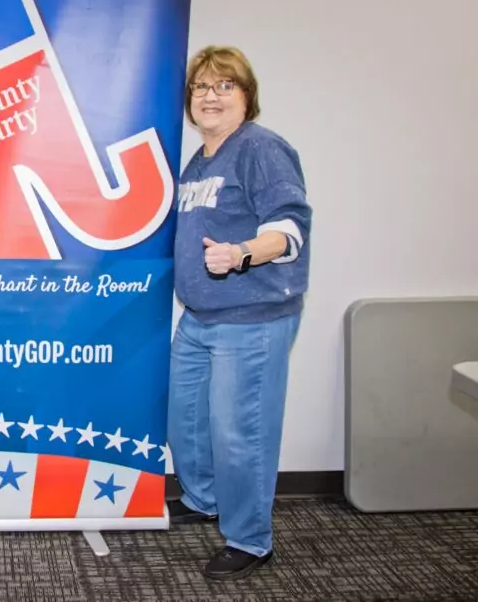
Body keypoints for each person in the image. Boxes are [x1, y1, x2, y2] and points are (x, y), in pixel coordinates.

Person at [168, 45, 312, 581]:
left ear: (247, 96)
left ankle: (250, 539)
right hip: (200, 317)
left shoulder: (261, 149)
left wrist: (242, 253)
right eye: (201, 86)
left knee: (240, 432)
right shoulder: (200, 160)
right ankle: (204, 499)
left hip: (252, 318)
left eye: (225, 85)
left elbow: (290, 229)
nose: (211, 96)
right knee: (185, 421)